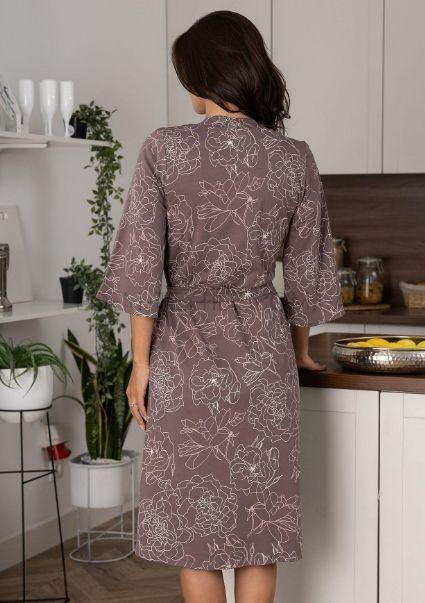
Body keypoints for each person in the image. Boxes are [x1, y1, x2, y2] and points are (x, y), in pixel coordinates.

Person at [96, 9, 344, 603]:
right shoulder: (293, 157)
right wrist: (300, 353)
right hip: (263, 354)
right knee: (260, 532)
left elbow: (140, 267)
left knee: (195, 534)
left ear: (204, 73)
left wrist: (140, 364)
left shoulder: (164, 150)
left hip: (183, 350)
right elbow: (306, 274)